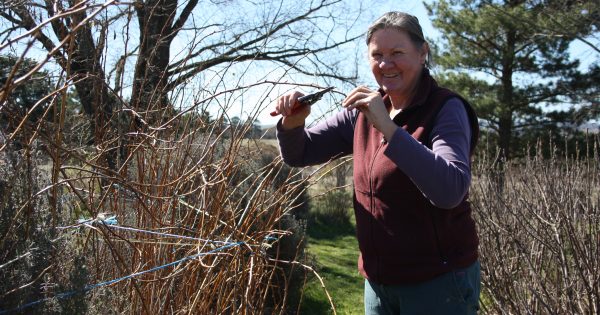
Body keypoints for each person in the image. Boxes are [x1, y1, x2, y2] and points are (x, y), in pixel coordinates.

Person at [273, 11, 481, 315]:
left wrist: (389, 128)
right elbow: (299, 153)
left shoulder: (446, 109)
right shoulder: (363, 111)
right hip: (379, 282)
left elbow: (450, 190)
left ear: (423, 53)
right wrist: (293, 123)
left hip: (437, 282)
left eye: (397, 53)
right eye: (377, 55)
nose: (385, 64)